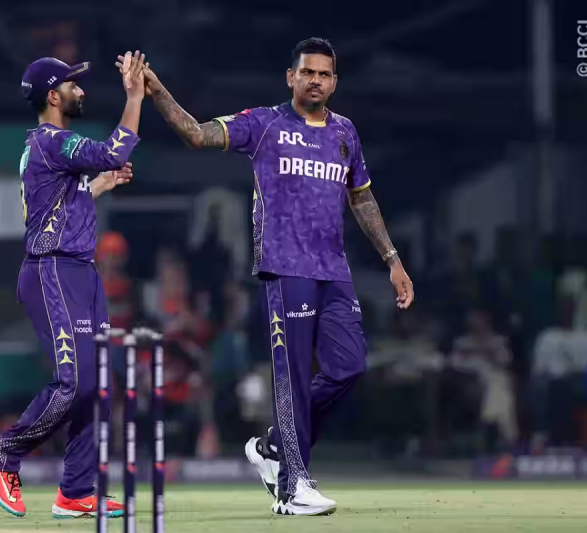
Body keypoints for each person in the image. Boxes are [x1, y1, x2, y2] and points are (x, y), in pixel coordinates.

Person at [126, 37, 414, 516]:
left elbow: (361, 197)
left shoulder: (345, 132)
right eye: (308, 72)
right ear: (291, 77)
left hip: (334, 270)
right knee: (293, 378)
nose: (315, 80)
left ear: (334, 82)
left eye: (324, 74)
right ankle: (292, 486)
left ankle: (274, 447)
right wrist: (156, 91)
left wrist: (392, 259)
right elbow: (197, 134)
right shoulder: (264, 124)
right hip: (284, 268)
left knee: (349, 367)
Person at [0, 51, 147, 519]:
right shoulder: (52, 140)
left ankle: (76, 491)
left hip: (79, 272)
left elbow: (58, 208)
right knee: (73, 384)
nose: (81, 90)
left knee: (97, 385)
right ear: (53, 96)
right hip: (52, 270)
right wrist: (134, 97)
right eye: (73, 84)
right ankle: (1, 456)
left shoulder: (47, 150)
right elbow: (113, 151)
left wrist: (99, 187)